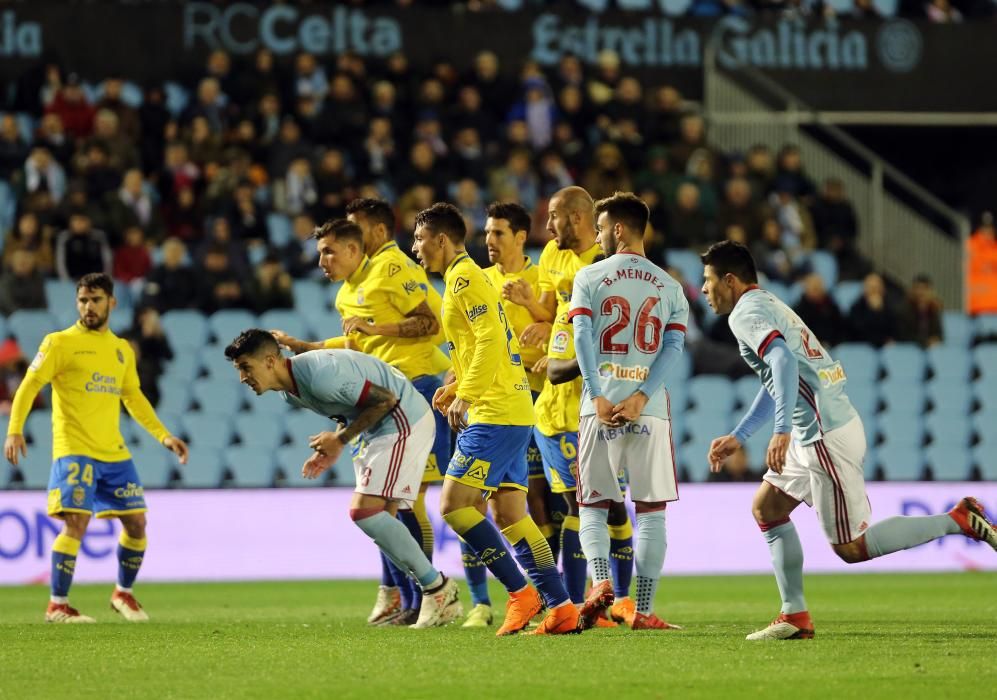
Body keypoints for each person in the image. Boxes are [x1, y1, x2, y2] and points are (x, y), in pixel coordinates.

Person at [699, 241, 997, 641]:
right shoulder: (768, 303)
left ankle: (957, 519)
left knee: (852, 548)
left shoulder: (745, 314)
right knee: (767, 507)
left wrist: (781, 429)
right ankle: (795, 616)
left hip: (823, 435)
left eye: (708, 280)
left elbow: (784, 363)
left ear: (730, 280)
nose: (704, 290)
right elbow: (778, 376)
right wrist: (740, 435)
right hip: (819, 430)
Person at [272, 199, 453, 627]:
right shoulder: (349, 289)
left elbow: (432, 325)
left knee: (411, 505)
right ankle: (409, 598)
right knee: (383, 506)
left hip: (419, 389)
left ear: (371, 233)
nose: (327, 256)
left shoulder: (392, 269)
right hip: (381, 396)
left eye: (349, 233)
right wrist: (305, 348)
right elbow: (356, 351)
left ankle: (442, 596)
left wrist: (377, 328)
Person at [411, 202, 579, 636]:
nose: (415, 249)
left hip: (496, 410)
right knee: (509, 513)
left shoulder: (465, 278)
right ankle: (560, 607)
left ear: (441, 240)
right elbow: (482, 344)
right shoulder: (464, 278)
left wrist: (466, 394)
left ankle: (520, 593)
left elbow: (488, 339)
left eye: (419, 239)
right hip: (512, 406)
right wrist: (458, 382)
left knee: (453, 506)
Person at [225, 329, 461, 629]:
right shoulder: (290, 394)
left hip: (403, 419)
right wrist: (335, 445)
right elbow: (348, 407)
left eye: (246, 367)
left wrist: (341, 440)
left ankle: (437, 589)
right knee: (381, 521)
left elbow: (384, 400)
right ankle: (422, 596)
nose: (243, 378)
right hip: (380, 429)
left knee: (364, 512)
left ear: (270, 361)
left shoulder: (320, 375)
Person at [4, 273, 189, 623]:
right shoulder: (59, 343)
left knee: (137, 523)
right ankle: (57, 604)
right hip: (74, 448)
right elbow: (29, 385)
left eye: (96, 300)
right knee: (76, 521)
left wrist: (163, 435)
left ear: (112, 303)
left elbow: (133, 397)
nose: (89, 307)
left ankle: (123, 593)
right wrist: (15, 430)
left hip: (114, 452)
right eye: (83, 301)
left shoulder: (121, 350)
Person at [515, 185, 636, 625]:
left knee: (610, 504)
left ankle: (623, 599)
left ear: (579, 218)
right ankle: (586, 603)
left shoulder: (607, 267)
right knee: (573, 505)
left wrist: (563, 363)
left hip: (592, 403)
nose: (547, 226)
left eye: (554, 216)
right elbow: (556, 316)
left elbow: (604, 339)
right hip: (551, 407)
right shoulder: (551, 255)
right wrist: (535, 314)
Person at [568, 192, 689, 631]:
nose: (598, 236)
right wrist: (640, 396)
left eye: (600, 228)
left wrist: (598, 393)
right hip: (649, 409)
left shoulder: (589, 277)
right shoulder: (671, 287)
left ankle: (601, 584)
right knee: (652, 509)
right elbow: (673, 348)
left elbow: (582, 337)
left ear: (618, 229)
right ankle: (642, 608)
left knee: (594, 506)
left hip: (598, 408)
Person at [475, 200, 556, 628]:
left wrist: (546, 324)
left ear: (521, 237)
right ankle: (545, 594)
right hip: (499, 403)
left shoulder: (543, 276)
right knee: (507, 505)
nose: (489, 241)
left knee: (547, 501)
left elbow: (566, 324)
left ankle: (554, 593)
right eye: (487, 233)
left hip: (543, 398)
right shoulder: (480, 281)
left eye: (498, 233)